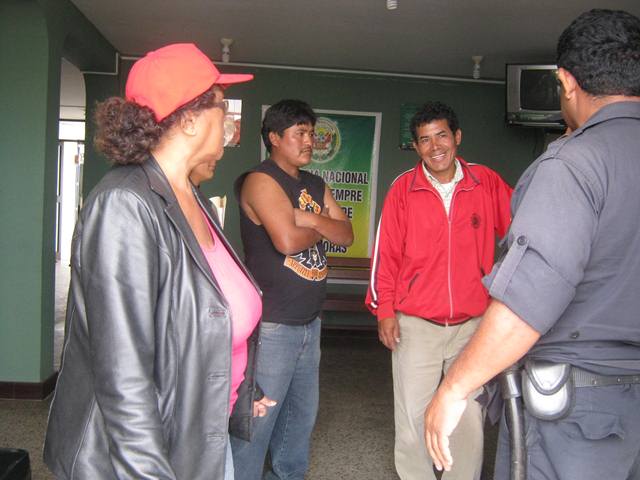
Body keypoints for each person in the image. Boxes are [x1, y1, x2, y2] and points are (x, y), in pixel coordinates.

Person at [425, 9, 640, 480]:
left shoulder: (574, 163)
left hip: (581, 417)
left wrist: (453, 388)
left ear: (566, 81)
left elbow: (529, 301)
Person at [43, 43, 274, 480]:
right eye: (222, 106)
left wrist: (242, 383)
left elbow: (198, 311)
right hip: (151, 456)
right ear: (188, 120)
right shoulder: (124, 204)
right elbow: (122, 373)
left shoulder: (190, 196)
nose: (228, 120)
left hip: (200, 432)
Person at [365, 101, 512, 479]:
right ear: (416, 147)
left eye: (441, 135)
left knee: (468, 418)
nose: (435, 147)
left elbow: (521, 229)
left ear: (457, 137)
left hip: (472, 325)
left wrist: (505, 293)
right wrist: (385, 311)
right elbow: (386, 255)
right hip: (416, 324)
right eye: (425, 140)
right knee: (413, 418)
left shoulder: (484, 181)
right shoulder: (403, 189)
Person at [230, 99, 353, 479]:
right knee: (258, 422)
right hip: (274, 324)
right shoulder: (260, 180)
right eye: (300, 133)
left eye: (311, 134)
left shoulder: (314, 184)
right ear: (274, 137)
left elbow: (346, 234)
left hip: (309, 322)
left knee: (299, 421)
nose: (309, 141)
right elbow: (286, 241)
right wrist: (320, 225)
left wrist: (307, 218)